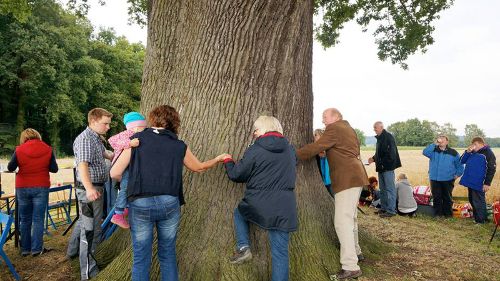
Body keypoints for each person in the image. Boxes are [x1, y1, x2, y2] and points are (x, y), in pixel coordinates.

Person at [110, 105, 227, 281]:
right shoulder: (179, 145)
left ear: (152, 119)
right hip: (169, 203)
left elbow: (115, 173)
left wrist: (128, 182)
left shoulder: (136, 140)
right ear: (174, 122)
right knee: (167, 254)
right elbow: (199, 167)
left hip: (140, 202)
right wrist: (218, 159)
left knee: (141, 257)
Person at [296, 108, 368, 280]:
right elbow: (335, 149)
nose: (323, 120)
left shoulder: (334, 128)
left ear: (336, 117)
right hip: (355, 177)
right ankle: (356, 252)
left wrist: (293, 154)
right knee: (350, 218)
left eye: (325, 117)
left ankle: (350, 266)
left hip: (346, 178)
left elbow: (317, 145)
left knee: (342, 222)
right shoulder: (348, 129)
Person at [222, 115, 297, 281]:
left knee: (239, 213)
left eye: (255, 129)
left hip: (259, 203)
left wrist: (228, 161)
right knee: (280, 253)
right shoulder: (290, 150)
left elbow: (236, 175)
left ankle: (243, 247)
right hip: (285, 207)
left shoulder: (255, 149)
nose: (254, 133)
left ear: (262, 129)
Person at [67, 108, 114, 280]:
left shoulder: (96, 139)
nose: (108, 127)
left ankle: (71, 252)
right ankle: (88, 273)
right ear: (93, 121)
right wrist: (89, 189)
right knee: (90, 231)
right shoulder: (85, 139)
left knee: (84, 223)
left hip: (95, 188)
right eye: (105, 123)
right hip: (90, 190)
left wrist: (121, 154)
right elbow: (82, 166)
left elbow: (107, 154)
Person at [7, 128, 58, 257]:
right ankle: (36, 249)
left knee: (24, 219)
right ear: (38, 136)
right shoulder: (48, 149)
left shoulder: (19, 149)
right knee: (38, 219)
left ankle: (25, 249)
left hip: (23, 186)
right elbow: (54, 169)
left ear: (24, 137)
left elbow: (10, 167)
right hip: (41, 186)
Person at [108, 112, 147, 229]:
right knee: (125, 187)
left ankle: (126, 208)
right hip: (123, 167)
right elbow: (112, 141)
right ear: (134, 126)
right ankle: (118, 214)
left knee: (131, 186)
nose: (143, 130)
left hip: (130, 166)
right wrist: (129, 143)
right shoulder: (127, 134)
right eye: (142, 127)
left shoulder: (138, 134)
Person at [422, 135, 464, 217]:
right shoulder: (433, 151)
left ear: (447, 142)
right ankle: (438, 214)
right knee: (436, 197)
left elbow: (460, 165)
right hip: (434, 178)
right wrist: (434, 144)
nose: (441, 141)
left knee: (447, 198)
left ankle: (448, 215)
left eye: (443, 140)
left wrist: (457, 174)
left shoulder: (453, 152)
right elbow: (425, 152)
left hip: (448, 179)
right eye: (440, 140)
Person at [368, 121, 401, 218]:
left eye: (375, 128)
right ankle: (384, 208)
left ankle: (391, 211)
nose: (374, 129)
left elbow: (391, 154)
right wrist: (373, 159)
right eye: (374, 128)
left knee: (390, 189)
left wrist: (382, 165)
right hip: (381, 168)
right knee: (382, 189)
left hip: (387, 169)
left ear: (381, 127)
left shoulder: (388, 137)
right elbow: (379, 154)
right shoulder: (380, 138)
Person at [459, 137, 497, 224]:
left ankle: (481, 221)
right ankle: (478, 218)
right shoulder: (472, 152)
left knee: (478, 201)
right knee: (472, 200)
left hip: (479, 182)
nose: (473, 146)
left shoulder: (488, 153)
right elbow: (461, 161)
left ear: (481, 144)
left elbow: (492, 169)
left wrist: (487, 183)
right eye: (473, 144)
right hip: (470, 181)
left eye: (475, 144)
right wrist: (467, 152)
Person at [314, 129, 333, 197]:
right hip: (323, 174)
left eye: (316, 135)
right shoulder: (316, 145)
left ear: (321, 136)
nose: (314, 136)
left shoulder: (325, 144)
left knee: (331, 191)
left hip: (329, 176)